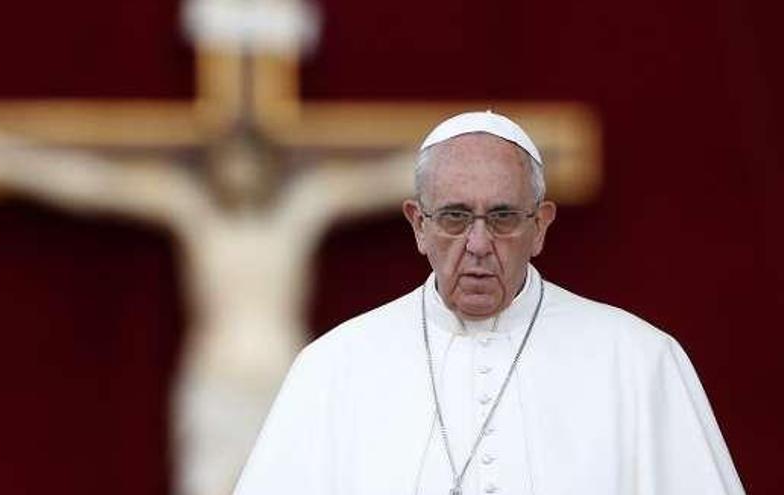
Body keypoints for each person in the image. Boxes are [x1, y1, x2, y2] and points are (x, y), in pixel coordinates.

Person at [232, 111, 745, 495]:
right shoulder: (334, 367)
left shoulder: (638, 361)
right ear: (418, 225)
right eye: (454, 217)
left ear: (540, 226)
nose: (478, 244)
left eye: (502, 217)